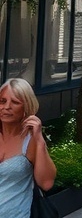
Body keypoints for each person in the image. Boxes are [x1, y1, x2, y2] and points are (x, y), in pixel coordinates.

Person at [0, 77, 56, 217]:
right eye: (2, 101)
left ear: (26, 106)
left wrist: (40, 140)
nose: (7, 107)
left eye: (15, 102)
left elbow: (46, 183)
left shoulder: (31, 141)